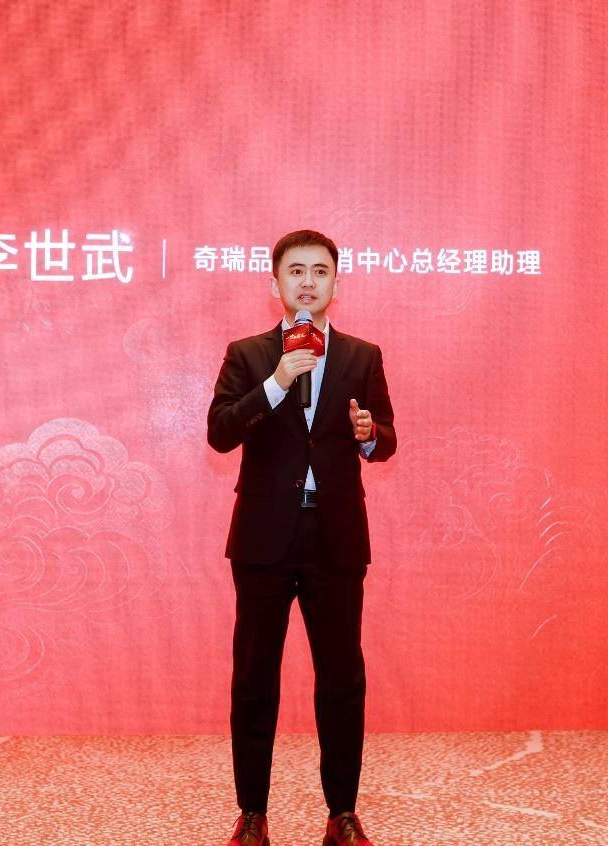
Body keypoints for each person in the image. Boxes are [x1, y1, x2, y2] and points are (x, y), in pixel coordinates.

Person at [207, 229, 397, 846]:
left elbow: (386, 438)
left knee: (342, 679)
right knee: (254, 676)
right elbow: (220, 433)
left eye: (320, 271)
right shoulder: (248, 354)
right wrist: (277, 382)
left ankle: (342, 814)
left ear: (336, 284)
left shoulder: (362, 356)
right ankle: (252, 815)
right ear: (275, 284)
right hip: (264, 538)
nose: (308, 281)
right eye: (296, 271)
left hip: (335, 536)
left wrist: (369, 434)